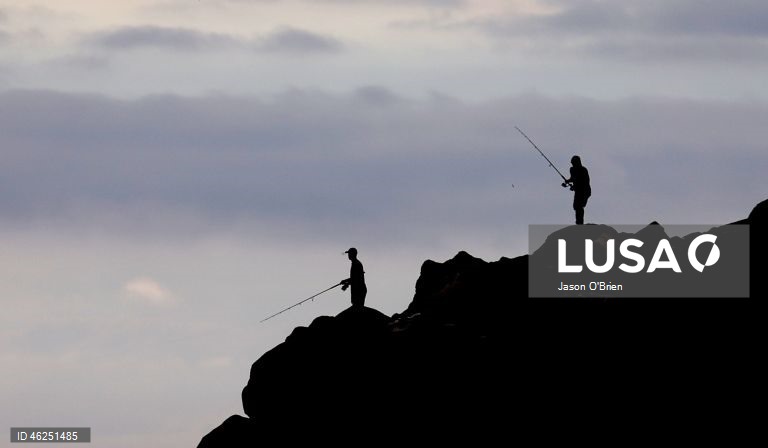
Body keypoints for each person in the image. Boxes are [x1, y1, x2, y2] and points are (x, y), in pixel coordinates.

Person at [562, 155, 591, 225]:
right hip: (578, 191)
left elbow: (584, 182)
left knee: (579, 206)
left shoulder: (583, 170)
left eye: (574, 163)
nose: (573, 164)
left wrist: (574, 187)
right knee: (576, 206)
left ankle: (580, 223)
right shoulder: (572, 169)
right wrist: (567, 181)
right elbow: (573, 178)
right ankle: (579, 222)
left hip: (585, 191)